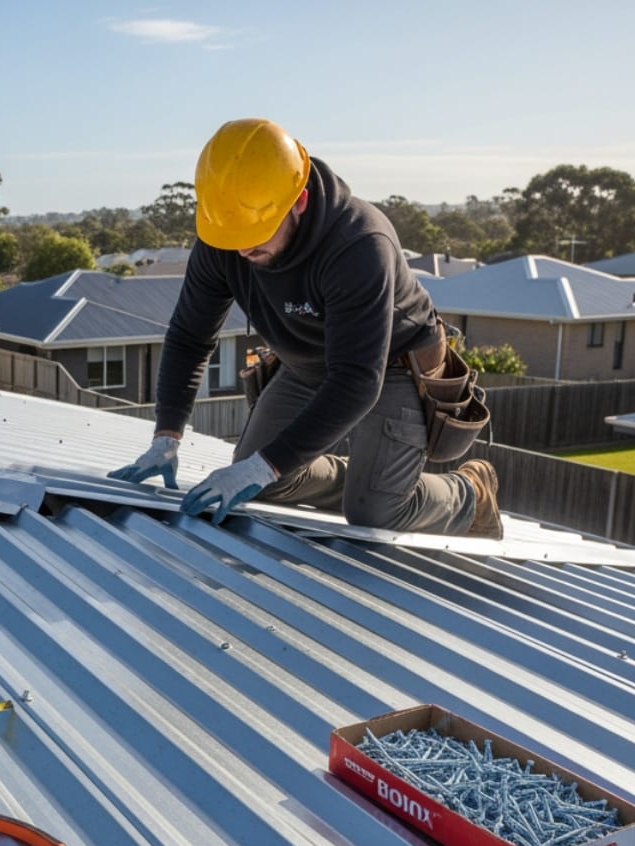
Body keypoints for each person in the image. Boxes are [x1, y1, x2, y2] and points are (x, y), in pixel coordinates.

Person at [109, 117, 502, 539]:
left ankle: (470, 493)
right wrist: (166, 436)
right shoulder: (225, 236)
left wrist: (265, 464)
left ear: (299, 201)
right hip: (305, 363)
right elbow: (190, 337)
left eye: (258, 233)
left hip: (392, 366)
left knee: (375, 512)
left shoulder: (359, 244)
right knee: (263, 484)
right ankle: (366, 479)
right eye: (233, 235)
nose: (243, 249)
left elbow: (356, 381)